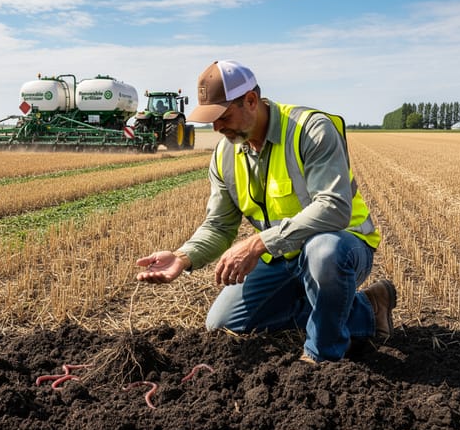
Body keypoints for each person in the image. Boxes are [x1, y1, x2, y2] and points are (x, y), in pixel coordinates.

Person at [135, 60, 397, 363]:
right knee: (223, 323)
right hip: (283, 258)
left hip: (341, 248)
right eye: (211, 120)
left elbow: (334, 208)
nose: (217, 128)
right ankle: (366, 308)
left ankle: (322, 355)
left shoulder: (309, 131)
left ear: (251, 100)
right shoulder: (225, 155)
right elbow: (219, 225)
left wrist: (258, 243)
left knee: (323, 251)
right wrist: (182, 257)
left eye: (223, 116)